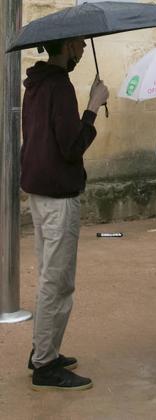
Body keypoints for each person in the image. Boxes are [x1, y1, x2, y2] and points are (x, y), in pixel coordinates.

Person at [20, 37, 109, 391]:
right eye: (80, 46)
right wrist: (92, 106)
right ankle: (44, 364)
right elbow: (72, 146)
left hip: (40, 190)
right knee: (57, 282)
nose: (84, 50)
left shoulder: (37, 83)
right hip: (58, 195)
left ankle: (44, 350)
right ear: (68, 46)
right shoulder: (59, 86)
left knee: (50, 276)